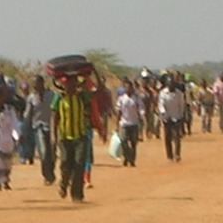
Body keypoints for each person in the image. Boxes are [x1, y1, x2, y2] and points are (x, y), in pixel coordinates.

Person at [51, 74, 103, 203]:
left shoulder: (83, 96)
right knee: (65, 163)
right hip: (64, 137)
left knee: (79, 165)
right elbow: (54, 117)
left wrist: (94, 73)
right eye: (69, 83)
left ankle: (77, 194)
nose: (71, 85)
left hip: (81, 136)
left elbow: (98, 92)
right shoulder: (59, 97)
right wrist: (53, 135)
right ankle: (63, 184)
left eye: (74, 82)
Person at [23, 74, 56, 185]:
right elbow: (28, 115)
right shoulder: (31, 98)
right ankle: (47, 175)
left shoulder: (51, 95)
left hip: (51, 127)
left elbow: (56, 111)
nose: (34, 85)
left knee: (52, 152)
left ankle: (51, 172)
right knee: (43, 152)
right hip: (38, 127)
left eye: (36, 82)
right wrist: (24, 131)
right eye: (33, 83)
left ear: (42, 83)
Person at [115, 78, 145, 167]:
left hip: (134, 123)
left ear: (132, 88)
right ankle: (126, 157)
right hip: (124, 123)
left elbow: (141, 110)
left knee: (133, 143)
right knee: (123, 141)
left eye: (129, 87)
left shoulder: (136, 98)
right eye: (126, 87)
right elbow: (119, 112)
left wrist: (142, 118)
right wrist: (117, 124)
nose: (128, 89)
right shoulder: (121, 99)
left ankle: (132, 160)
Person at [158, 76, 186, 161]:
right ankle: (169, 155)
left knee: (177, 137)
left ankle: (177, 154)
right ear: (167, 84)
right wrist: (163, 113)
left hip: (176, 117)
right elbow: (161, 104)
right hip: (166, 118)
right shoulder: (163, 93)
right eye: (169, 83)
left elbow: (181, 105)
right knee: (167, 137)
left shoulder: (179, 94)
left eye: (173, 83)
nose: (171, 85)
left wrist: (181, 116)